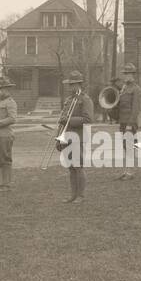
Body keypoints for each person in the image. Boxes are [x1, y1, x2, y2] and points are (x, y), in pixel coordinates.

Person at [57, 70, 94, 204]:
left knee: (78, 166)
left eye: (73, 84)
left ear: (79, 84)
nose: (70, 87)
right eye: (70, 84)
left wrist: (69, 120)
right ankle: (73, 195)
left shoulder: (85, 99)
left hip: (78, 137)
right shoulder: (68, 100)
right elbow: (62, 120)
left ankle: (81, 195)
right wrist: (58, 136)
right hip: (66, 136)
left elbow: (88, 119)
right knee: (71, 167)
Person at [114, 62, 141, 181]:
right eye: (125, 74)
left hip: (130, 123)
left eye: (129, 74)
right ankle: (127, 170)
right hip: (123, 121)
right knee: (126, 147)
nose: (126, 76)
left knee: (130, 147)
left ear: (133, 75)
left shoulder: (136, 89)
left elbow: (136, 109)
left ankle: (130, 172)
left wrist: (130, 125)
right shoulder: (124, 88)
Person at [0, 75, 17, 190]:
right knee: (0, 160)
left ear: (8, 89)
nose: (0, 91)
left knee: (6, 160)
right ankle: (2, 183)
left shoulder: (10, 102)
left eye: (2, 88)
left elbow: (12, 119)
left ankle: (7, 184)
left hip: (6, 135)